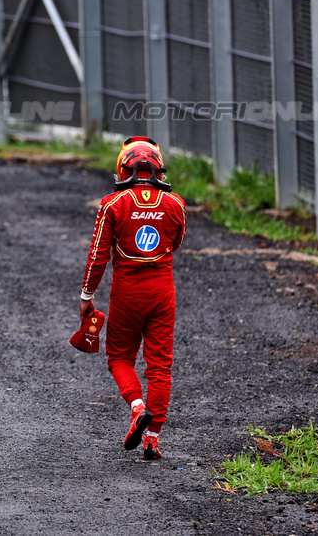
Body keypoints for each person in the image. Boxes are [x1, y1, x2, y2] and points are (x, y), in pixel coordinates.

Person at [79, 136, 186, 460]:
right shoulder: (176, 204)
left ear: (123, 168)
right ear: (158, 168)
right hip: (163, 294)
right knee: (160, 366)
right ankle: (152, 439)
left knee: (120, 358)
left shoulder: (113, 204)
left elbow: (98, 255)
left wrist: (87, 295)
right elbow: (176, 242)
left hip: (126, 295)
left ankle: (137, 407)